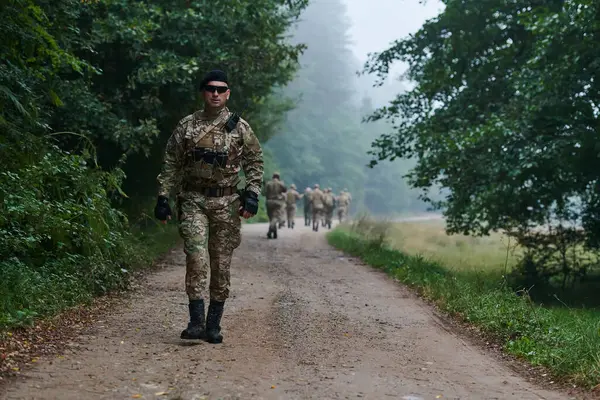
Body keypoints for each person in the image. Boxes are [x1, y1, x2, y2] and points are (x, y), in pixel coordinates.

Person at [154, 69, 264, 344]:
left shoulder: (240, 127)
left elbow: (255, 161)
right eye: (210, 89)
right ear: (203, 92)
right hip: (193, 200)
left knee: (220, 263)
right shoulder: (187, 126)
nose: (215, 93)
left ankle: (213, 324)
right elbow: (171, 163)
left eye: (221, 89)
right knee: (196, 257)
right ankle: (195, 322)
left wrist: (252, 193)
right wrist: (163, 197)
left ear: (228, 94)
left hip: (227, 203)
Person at [264, 172, 287, 238]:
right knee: (275, 217)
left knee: (271, 217)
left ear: (272, 177)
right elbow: (285, 190)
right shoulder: (280, 183)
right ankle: (271, 229)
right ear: (278, 177)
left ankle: (274, 233)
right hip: (277, 202)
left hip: (269, 202)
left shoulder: (268, 183)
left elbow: (264, 193)